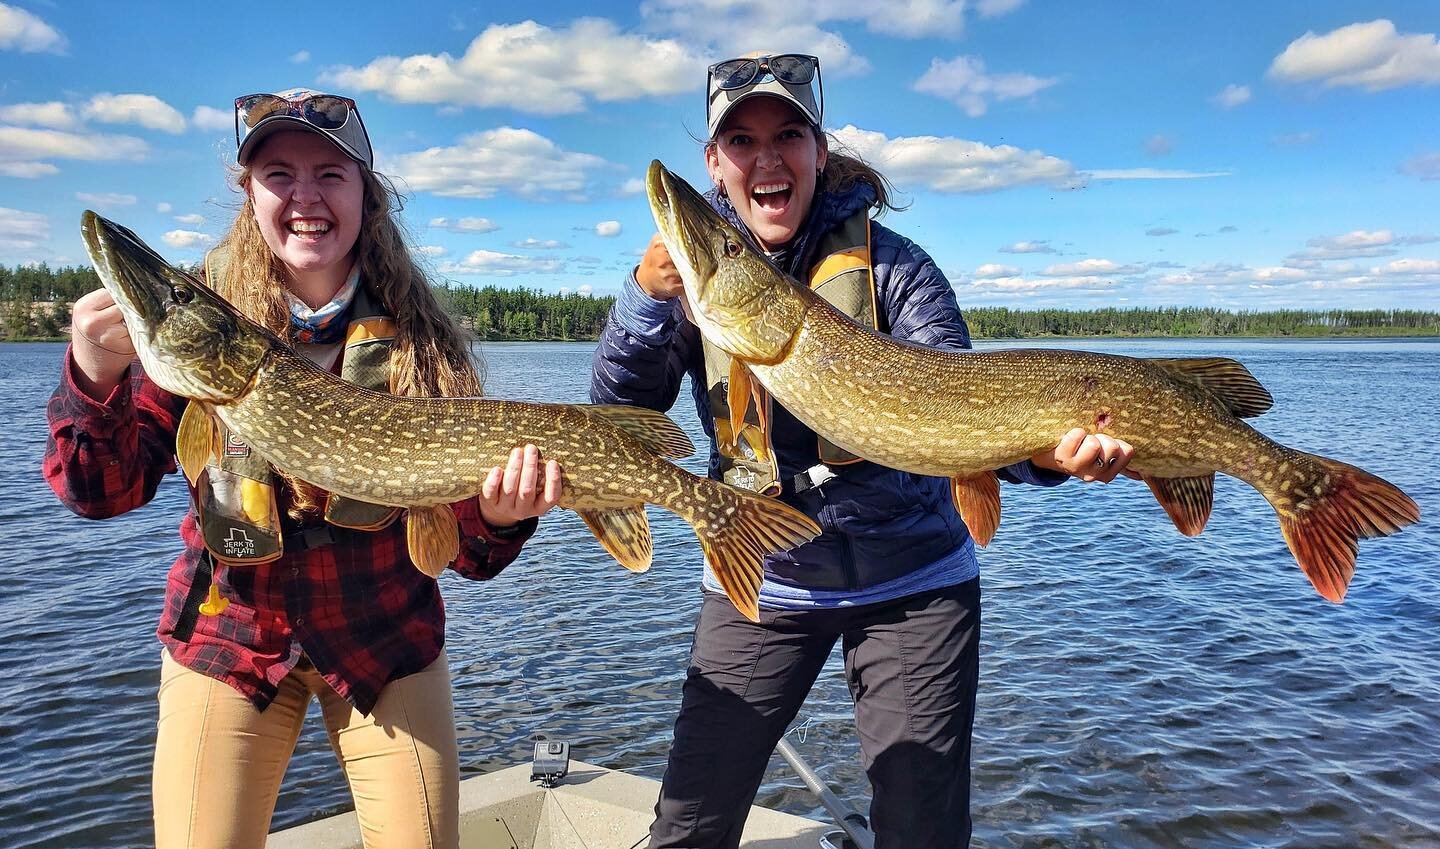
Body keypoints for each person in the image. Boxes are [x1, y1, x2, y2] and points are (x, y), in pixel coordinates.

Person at [591, 54, 1136, 848]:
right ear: (715, 161)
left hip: (912, 576)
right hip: (764, 576)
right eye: (741, 140)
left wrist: (1051, 458)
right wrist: (644, 300)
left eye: (788, 135)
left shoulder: (898, 269)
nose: (767, 158)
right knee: (690, 822)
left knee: (921, 829)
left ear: (820, 149)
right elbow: (619, 415)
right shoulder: (692, 285)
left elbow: (966, 414)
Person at [44, 88, 562, 849]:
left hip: (385, 641)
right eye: (279, 173)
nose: (305, 196)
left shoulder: (422, 346)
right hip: (231, 636)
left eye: (331, 173)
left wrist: (500, 517)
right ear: (249, 192)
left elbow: (464, 552)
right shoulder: (203, 322)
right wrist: (93, 376)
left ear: (366, 195)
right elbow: (100, 493)